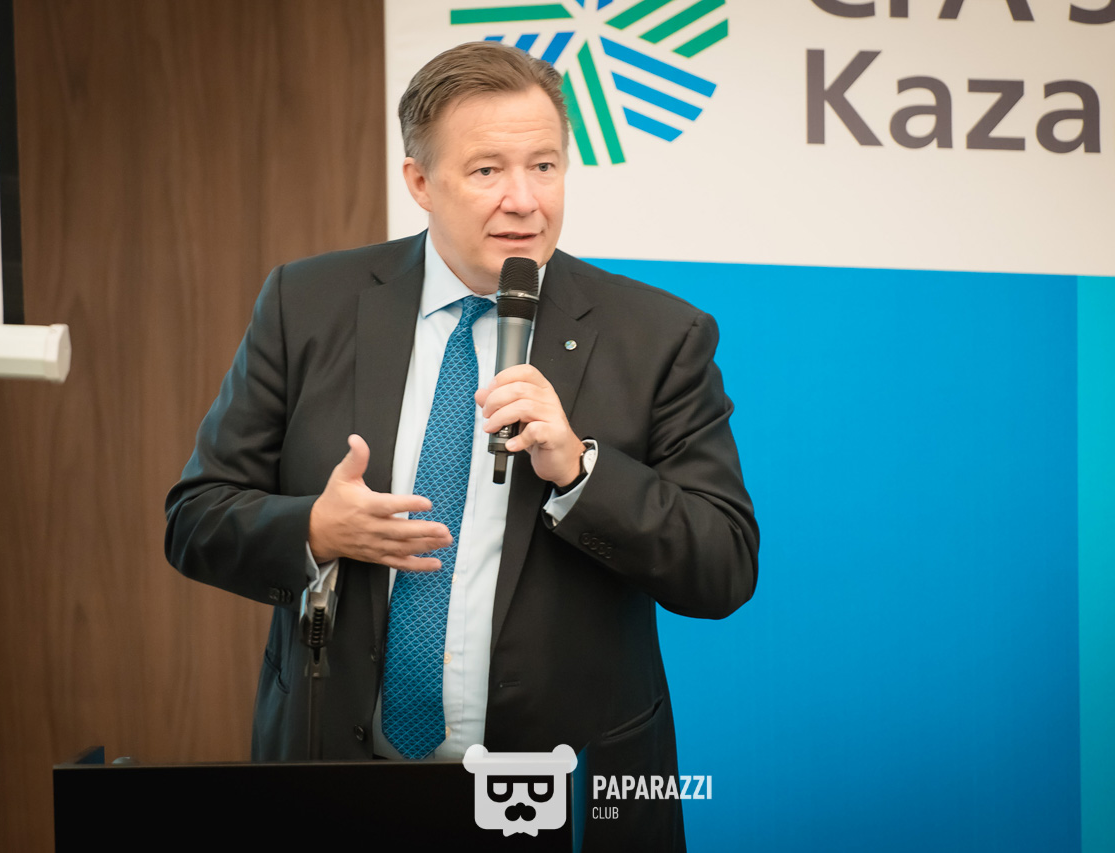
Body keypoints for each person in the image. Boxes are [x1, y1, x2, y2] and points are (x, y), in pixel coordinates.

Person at [164, 41, 757, 850]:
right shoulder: (306, 304)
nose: (525, 201)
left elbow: (724, 564)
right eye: (487, 171)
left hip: (561, 791)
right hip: (338, 778)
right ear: (420, 182)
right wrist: (315, 530)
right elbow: (195, 517)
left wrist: (581, 472)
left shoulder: (658, 336)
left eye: (544, 166)